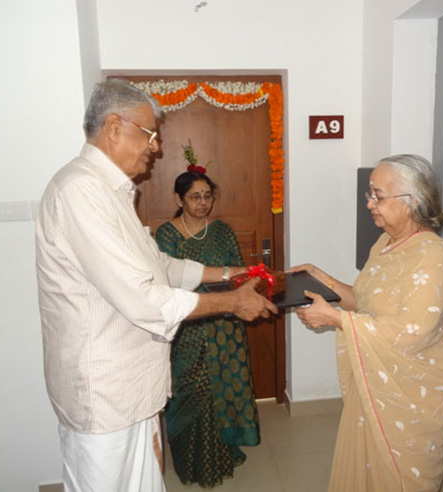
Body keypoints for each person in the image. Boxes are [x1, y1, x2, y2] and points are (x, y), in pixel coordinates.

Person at [35, 79, 277, 492]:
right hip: (105, 392)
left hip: (132, 386)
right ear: (114, 127)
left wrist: (225, 274)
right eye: (149, 133)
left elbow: (157, 265)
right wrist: (231, 303)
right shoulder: (81, 191)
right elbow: (146, 299)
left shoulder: (111, 192)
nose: (156, 147)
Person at [291, 154, 443, 492]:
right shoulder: (385, 243)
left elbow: (413, 333)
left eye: (377, 195)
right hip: (378, 379)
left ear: (412, 201)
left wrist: (337, 320)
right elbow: (364, 301)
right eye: (369, 194)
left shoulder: (434, 255)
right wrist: (320, 278)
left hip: (415, 389)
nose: (369, 204)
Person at [155, 170, 260, 487]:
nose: (203, 203)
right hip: (186, 328)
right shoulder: (166, 236)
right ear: (178, 199)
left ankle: (221, 455)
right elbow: (166, 282)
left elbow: (238, 273)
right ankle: (192, 463)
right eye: (195, 196)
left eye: (207, 196)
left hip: (224, 326)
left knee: (223, 389)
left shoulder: (222, 231)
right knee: (192, 391)